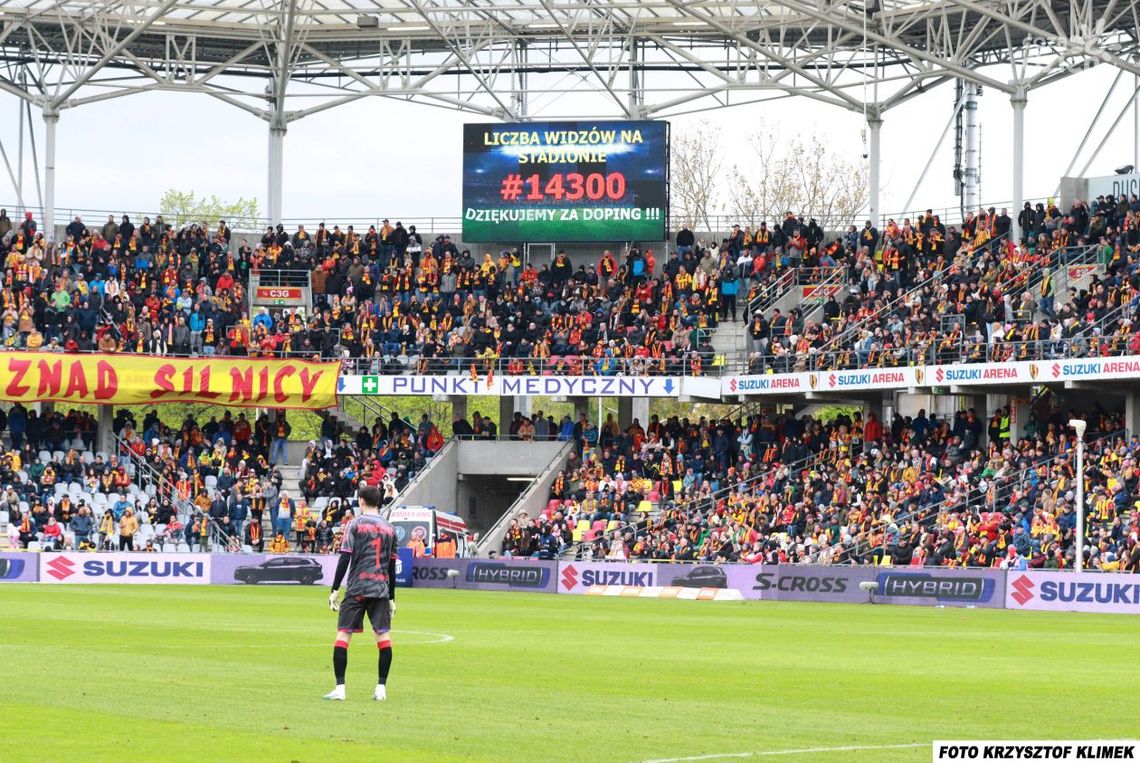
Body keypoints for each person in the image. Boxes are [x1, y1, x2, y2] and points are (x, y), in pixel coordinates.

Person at [324, 486, 398, 702]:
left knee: (343, 635)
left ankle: (340, 689)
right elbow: (392, 566)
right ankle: (381, 689)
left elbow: (345, 557)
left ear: (362, 500)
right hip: (381, 589)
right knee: (383, 637)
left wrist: (335, 589)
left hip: (357, 587)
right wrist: (392, 597)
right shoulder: (390, 529)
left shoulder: (354, 525)